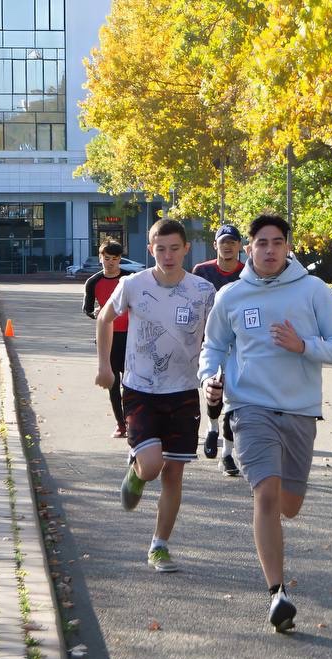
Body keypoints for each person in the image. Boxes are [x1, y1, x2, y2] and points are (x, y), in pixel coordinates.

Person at [199, 214, 332, 632]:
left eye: (277, 243)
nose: (269, 250)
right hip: (249, 406)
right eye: (261, 243)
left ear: (288, 247)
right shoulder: (231, 296)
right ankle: (277, 593)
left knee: (290, 504)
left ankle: (277, 574)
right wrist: (211, 379)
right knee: (265, 494)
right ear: (249, 249)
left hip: (300, 410)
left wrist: (303, 345)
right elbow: (214, 346)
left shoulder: (313, 291)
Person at [93, 219, 216, 573]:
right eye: (160, 249)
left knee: (173, 473)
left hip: (183, 391)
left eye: (174, 248)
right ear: (150, 250)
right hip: (140, 388)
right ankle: (135, 473)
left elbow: (217, 337)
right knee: (151, 466)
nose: (168, 255)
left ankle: (159, 545)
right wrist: (105, 366)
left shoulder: (203, 291)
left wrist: (217, 375)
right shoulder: (133, 285)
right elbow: (104, 319)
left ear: (186, 249)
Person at [193, 224, 246, 476]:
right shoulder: (202, 272)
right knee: (214, 391)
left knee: (232, 397)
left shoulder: (248, 274)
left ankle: (227, 454)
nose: (227, 246)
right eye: (223, 241)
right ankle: (212, 427)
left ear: (239, 246)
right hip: (210, 343)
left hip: (237, 345)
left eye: (232, 242)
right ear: (215, 245)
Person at [83, 240, 134, 438]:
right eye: (107, 258)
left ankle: (133, 420)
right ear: (100, 258)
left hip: (131, 336)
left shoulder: (130, 279)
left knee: (132, 382)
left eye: (115, 259)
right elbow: (87, 309)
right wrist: (95, 312)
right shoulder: (94, 282)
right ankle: (120, 424)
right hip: (108, 337)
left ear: (120, 259)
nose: (111, 263)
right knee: (113, 382)